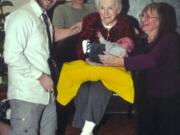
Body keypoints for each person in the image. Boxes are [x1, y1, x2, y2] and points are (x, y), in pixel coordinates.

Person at [99, 2, 180, 135]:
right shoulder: (144, 39)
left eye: (148, 17)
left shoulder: (170, 38)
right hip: (147, 97)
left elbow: (150, 60)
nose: (143, 19)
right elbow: (135, 60)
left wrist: (120, 61)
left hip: (167, 99)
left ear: (161, 21)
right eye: (143, 15)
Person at [70, 0, 135, 134]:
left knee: (99, 88)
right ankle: (84, 127)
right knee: (83, 86)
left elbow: (128, 49)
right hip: (91, 66)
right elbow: (84, 41)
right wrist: (86, 56)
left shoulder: (126, 23)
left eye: (110, 8)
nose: (105, 13)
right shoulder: (91, 20)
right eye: (102, 8)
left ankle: (87, 131)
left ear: (118, 10)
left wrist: (114, 59)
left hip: (115, 68)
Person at [3, 0, 57, 135]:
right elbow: (11, 56)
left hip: (47, 94)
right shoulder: (22, 16)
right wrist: (40, 76)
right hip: (27, 95)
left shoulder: (43, 17)